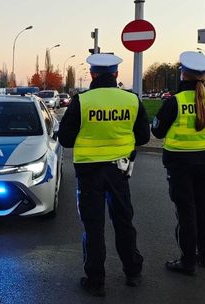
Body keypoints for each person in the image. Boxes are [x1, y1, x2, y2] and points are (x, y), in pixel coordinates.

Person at [58, 53, 150, 297]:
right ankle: (133, 272)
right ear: (117, 74)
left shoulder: (82, 101)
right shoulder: (131, 100)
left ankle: (96, 280)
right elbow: (143, 137)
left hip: (89, 172)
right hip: (120, 171)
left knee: (94, 226)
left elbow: (65, 139)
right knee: (123, 221)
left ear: (93, 74)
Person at [151, 51, 205, 275]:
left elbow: (158, 131)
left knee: (186, 212)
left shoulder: (175, 102)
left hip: (179, 164)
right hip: (204, 163)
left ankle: (188, 261)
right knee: (204, 210)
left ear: (184, 75)